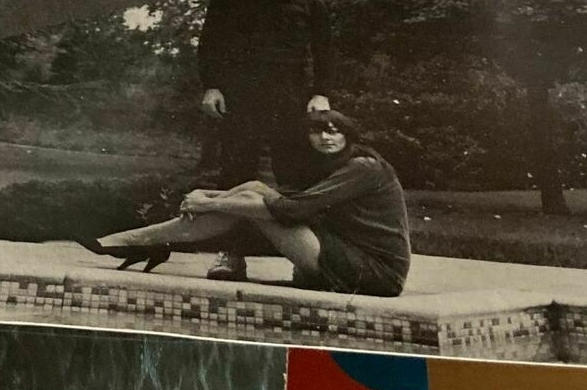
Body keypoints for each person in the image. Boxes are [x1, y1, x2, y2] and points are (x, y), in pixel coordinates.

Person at [80, 110, 411, 298]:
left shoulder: (363, 167)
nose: (326, 137)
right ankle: (137, 240)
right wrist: (210, 199)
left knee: (253, 201)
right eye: (317, 132)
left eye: (334, 131)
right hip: (342, 252)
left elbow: (292, 210)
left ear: (348, 135)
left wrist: (209, 202)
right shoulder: (329, 166)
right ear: (306, 137)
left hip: (373, 273)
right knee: (253, 188)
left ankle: (135, 241)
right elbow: (285, 199)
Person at [196, 0, 335, 281]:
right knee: (235, 176)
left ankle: (305, 261)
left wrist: (321, 94)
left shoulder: (310, 6)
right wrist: (212, 86)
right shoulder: (226, 4)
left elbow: (326, 52)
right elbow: (209, 48)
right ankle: (230, 255)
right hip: (241, 100)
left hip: (291, 100)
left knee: (296, 178)